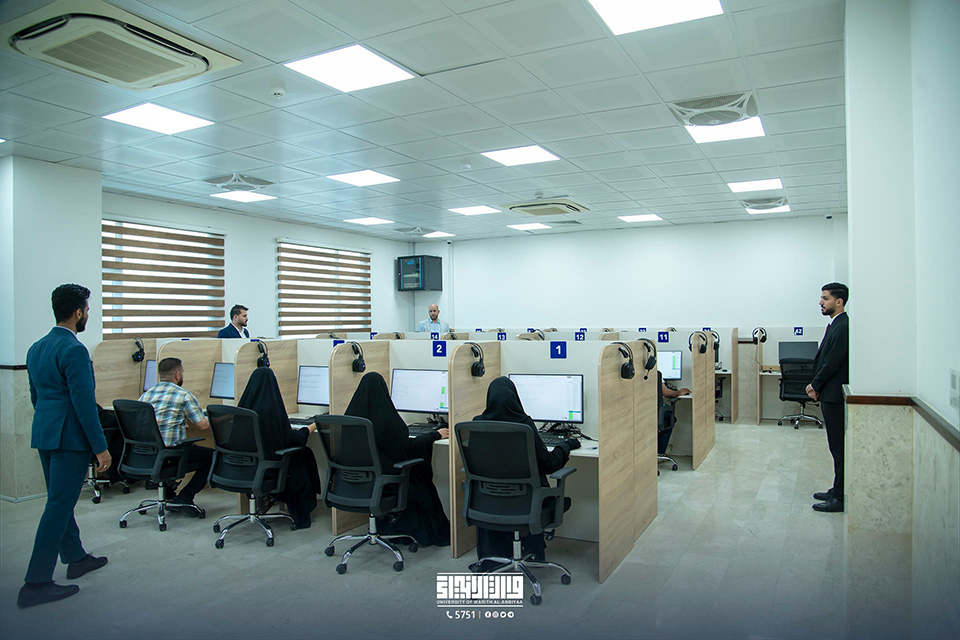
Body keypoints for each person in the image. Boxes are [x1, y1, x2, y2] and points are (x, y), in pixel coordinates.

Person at [19, 284, 111, 609]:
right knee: (59, 505)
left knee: (59, 500)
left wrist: (51, 423)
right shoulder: (74, 350)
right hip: (69, 438)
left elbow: (36, 397)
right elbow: (84, 404)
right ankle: (36, 582)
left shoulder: (36, 348)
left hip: (45, 432)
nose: (88, 315)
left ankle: (75, 557)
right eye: (87, 310)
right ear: (78, 312)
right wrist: (100, 447)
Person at [470, 377, 579, 570]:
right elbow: (549, 464)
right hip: (527, 506)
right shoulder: (524, 425)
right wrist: (566, 445)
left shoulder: (478, 424)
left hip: (488, 505)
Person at [344, 372, 451, 547]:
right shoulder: (387, 421)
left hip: (355, 486)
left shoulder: (350, 419)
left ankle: (386, 529)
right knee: (419, 476)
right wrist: (434, 435)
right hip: (387, 485)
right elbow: (407, 449)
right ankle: (420, 532)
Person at [237, 367, 322, 529]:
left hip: (244, 470)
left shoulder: (243, 408)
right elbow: (292, 441)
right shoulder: (270, 410)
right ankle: (301, 513)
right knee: (303, 455)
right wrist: (312, 425)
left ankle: (267, 500)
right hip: (268, 470)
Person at [138, 357, 212, 515]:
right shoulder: (183, 395)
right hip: (171, 454)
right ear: (178, 375)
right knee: (214, 456)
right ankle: (185, 497)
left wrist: (179, 423)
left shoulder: (146, 396)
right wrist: (224, 417)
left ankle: (169, 494)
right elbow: (203, 425)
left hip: (146, 455)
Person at [807, 282, 850, 513]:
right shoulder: (836, 324)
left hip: (833, 395)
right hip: (829, 393)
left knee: (838, 447)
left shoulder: (843, 326)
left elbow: (832, 362)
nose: (820, 302)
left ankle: (840, 498)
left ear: (839, 301)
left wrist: (815, 384)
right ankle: (837, 489)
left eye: (825, 298)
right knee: (835, 447)